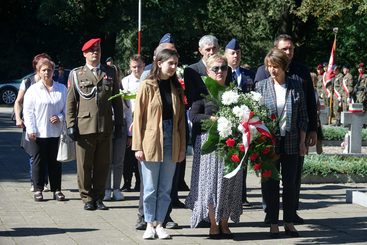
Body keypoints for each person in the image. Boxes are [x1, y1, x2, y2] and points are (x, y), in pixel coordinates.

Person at [255, 34, 317, 224]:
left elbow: (308, 104)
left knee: (292, 180)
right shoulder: (262, 75)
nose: (288, 52)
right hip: (269, 141)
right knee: (270, 180)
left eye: (291, 48)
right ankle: (270, 214)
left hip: (293, 137)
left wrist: (312, 131)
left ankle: (291, 215)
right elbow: (255, 109)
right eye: (284, 49)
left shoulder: (300, 73)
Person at [186, 54, 242, 240]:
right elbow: (193, 117)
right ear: (207, 71)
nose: (220, 71)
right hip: (208, 146)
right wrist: (213, 119)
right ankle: (212, 224)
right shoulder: (202, 92)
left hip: (231, 146)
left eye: (223, 68)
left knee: (229, 184)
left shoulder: (234, 92)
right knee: (209, 186)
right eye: (215, 68)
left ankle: (225, 223)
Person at [132, 48, 186, 239]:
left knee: (165, 187)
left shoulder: (176, 87)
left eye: (175, 64)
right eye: (170, 63)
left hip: (172, 138)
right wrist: (137, 146)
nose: (173, 67)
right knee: (149, 187)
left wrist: (182, 148)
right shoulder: (147, 85)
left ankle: (160, 223)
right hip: (151, 139)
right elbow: (138, 117)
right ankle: (149, 223)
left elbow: (181, 122)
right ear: (159, 63)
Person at [66, 38, 124, 211]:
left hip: (105, 126)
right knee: (84, 165)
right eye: (91, 51)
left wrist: (119, 123)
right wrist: (70, 124)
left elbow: (117, 100)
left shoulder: (111, 71)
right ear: (85, 54)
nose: (95, 53)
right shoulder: (77, 74)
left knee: (102, 164)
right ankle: (87, 198)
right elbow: (71, 102)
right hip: (84, 127)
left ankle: (99, 197)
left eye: (97, 50)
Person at [23, 57, 68, 202]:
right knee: (38, 161)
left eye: (49, 69)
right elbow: (28, 111)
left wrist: (60, 117)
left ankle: (57, 190)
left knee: (55, 162)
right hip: (38, 132)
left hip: (55, 132)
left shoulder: (61, 89)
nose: (47, 72)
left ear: (53, 71)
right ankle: (38, 189)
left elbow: (68, 109)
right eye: (44, 70)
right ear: (38, 71)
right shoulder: (33, 90)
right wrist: (31, 129)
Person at [224, 38, 255, 206]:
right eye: (232, 53)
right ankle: (228, 194)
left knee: (243, 157)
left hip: (245, 123)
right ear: (226, 54)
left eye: (238, 53)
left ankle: (242, 195)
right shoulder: (221, 71)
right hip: (227, 124)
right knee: (229, 159)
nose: (235, 56)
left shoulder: (249, 74)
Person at [14, 53, 51, 192]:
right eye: (42, 64)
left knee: (47, 154)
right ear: (36, 67)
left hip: (47, 124)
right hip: (31, 123)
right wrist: (18, 118)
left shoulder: (52, 80)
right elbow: (18, 101)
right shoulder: (28, 81)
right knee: (34, 154)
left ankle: (44, 182)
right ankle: (34, 182)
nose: (45, 69)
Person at [103, 58, 130, 201]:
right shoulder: (103, 88)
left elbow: (128, 112)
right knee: (106, 160)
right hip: (107, 125)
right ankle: (106, 189)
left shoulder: (123, 90)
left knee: (119, 160)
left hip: (121, 126)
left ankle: (117, 188)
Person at [121, 54, 145, 192]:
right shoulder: (125, 82)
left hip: (143, 124)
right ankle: (127, 182)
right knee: (128, 157)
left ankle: (140, 182)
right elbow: (124, 105)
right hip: (129, 121)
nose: (137, 69)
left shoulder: (147, 80)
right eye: (134, 67)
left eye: (139, 66)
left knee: (140, 157)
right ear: (130, 67)